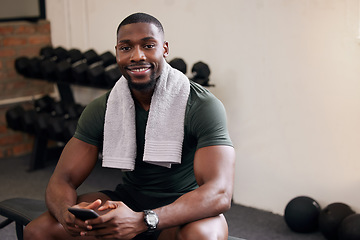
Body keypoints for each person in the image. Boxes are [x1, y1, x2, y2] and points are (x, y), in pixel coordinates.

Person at [24, 12, 235, 240]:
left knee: (203, 235)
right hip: (130, 201)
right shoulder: (103, 108)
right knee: (39, 231)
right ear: (117, 53)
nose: (137, 56)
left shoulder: (201, 105)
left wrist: (144, 220)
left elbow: (220, 193)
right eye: (126, 48)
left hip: (184, 209)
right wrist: (65, 213)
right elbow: (62, 179)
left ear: (164, 49)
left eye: (148, 45)